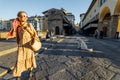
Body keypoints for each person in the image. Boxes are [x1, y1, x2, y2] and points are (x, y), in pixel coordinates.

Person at [6, 11, 41, 79]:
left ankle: (30, 72)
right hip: (21, 47)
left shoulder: (29, 25)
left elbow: (35, 35)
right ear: (19, 17)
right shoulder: (18, 27)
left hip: (29, 46)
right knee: (19, 60)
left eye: (26, 16)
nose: (25, 17)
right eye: (23, 16)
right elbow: (17, 38)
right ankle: (18, 76)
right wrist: (19, 44)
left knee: (30, 59)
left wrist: (28, 30)